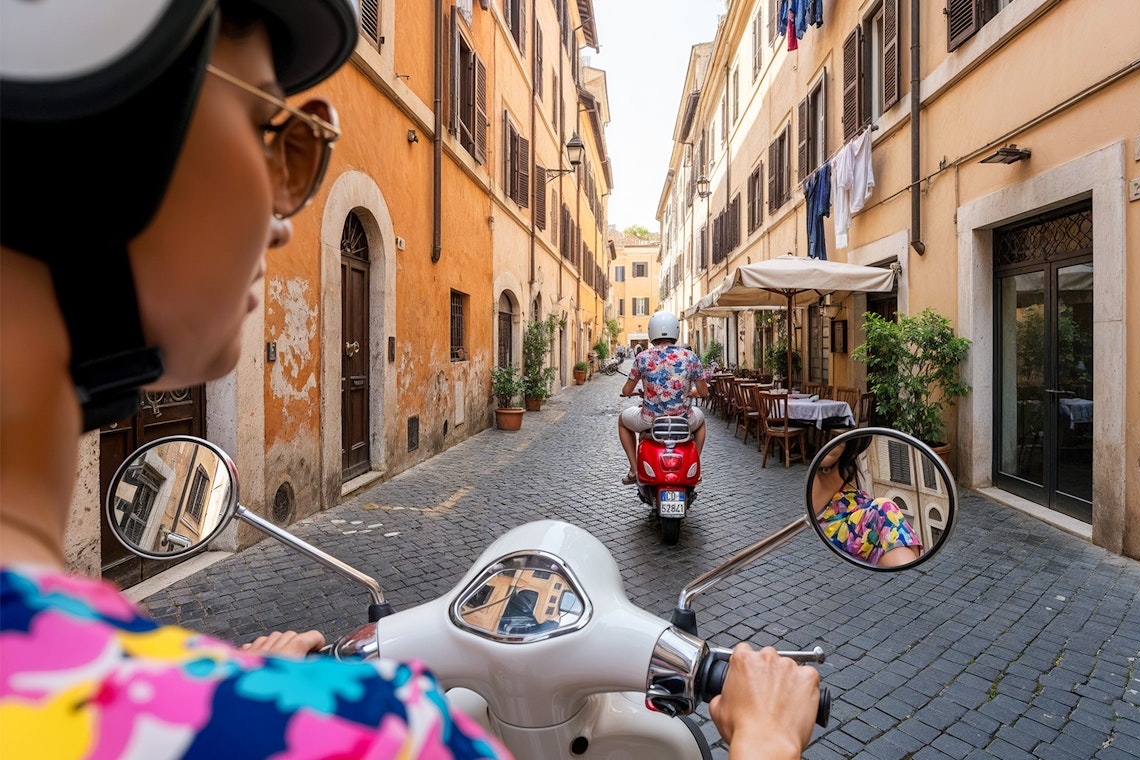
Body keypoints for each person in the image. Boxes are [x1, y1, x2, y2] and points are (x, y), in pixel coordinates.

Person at [0, 2, 820, 756]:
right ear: (103, 138)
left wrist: (249, 685)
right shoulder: (368, 734)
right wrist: (766, 742)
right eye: (281, 133)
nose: (286, 215)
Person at [618, 311, 709, 484]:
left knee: (622, 421)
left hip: (650, 420)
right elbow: (703, 393)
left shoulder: (642, 357)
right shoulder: (690, 357)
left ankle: (634, 470)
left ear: (652, 332)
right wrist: (690, 391)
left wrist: (641, 391)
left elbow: (627, 390)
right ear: (676, 331)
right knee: (702, 421)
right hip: (683, 420)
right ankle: (695, 464)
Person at [809, 435, 923, 567]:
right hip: (841, 530)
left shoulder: (847, 463)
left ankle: (915, 563)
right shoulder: (830, 462)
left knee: (901, 544)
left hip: (865, 532)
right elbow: (831, 452)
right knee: (885, 506)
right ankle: (915, 565)